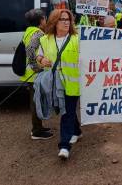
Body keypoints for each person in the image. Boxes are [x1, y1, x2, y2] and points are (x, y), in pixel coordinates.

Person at [36, 9, 81, 160]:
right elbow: (38, 55)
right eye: (63, 19)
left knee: (66, 111)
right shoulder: (45, 39)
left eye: (68, 19)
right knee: (68, 110)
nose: (67, 22)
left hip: (72, 83)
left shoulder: (77, 39)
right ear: (55, 22)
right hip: (55, 82)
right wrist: (42, 60)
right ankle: (76, 131)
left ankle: (64, 146)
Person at [22, 9, 53, 140]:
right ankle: (36, 131)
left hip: (29, 72)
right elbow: (30, 49)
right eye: (45, 19)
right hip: (34, 74)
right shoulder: (38, 33)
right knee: (36, 102)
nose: (46, 21)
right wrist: (36, 66)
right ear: (41, 21)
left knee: (35, 101)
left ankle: (38, 127)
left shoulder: (28, 31)